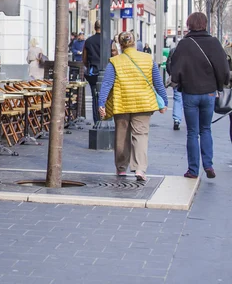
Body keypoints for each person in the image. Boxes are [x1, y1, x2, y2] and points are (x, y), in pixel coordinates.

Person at [98, 32, 168, 182]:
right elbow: (158, 82)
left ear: (120, 45)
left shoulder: (115, 61)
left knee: (121, 135)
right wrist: (165, 102)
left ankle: (121, 168)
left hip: (121, 103)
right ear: (134, 43)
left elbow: (106, 84)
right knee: (141, 135)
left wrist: (101, 103)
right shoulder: (148, 59)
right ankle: (140, 169)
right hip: (144, 103)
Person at [170, 12, 230, 179]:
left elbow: (175, 70)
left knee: (192, 132)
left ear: (189, 25)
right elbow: (224, 70)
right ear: (205, 24)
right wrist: (218, 85)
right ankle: (208, 165)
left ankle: (193, 170)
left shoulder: (184, 44)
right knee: (206, 129)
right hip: (209, 92)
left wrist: (178, 81)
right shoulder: (214, 43)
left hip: (190, 93)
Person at [83, 21, 101, 124]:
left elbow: (84, 58)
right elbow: (114, 54)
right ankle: (106, 118)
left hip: (93, 71)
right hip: (106, 71)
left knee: (95, 96)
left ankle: (96, 121)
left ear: (94, 27)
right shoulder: (109, 41)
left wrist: (88, 65)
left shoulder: (88, 41)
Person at [166, 41, 183, 131]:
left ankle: (177, 120)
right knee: (189, 101)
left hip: (176, 79)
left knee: (177, 99)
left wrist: (172, 74)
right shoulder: (189, 50)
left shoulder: (173, 50)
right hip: (188, 80)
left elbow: (168, 64)